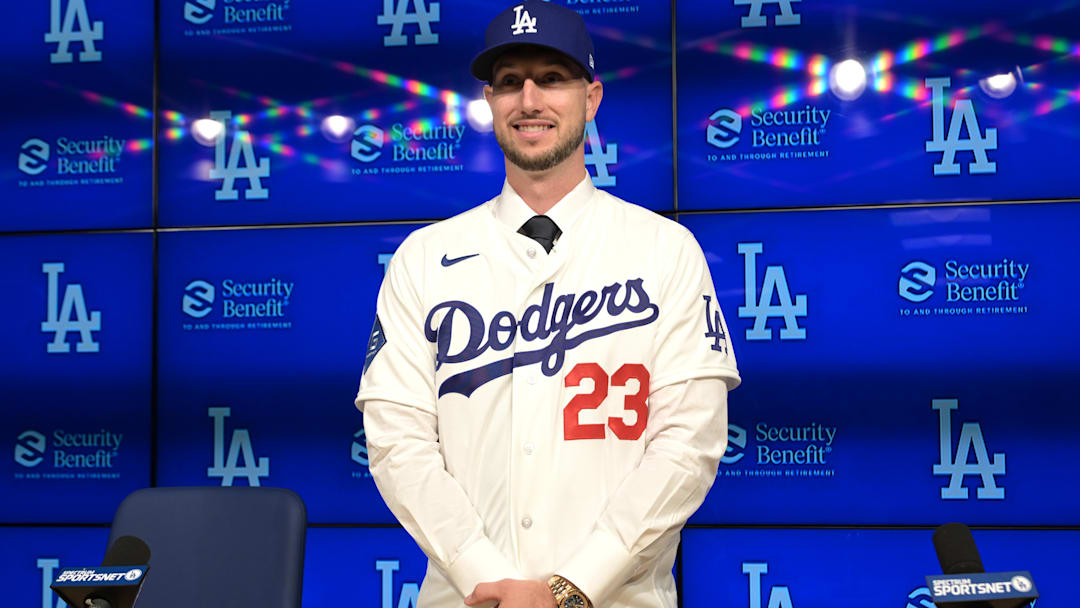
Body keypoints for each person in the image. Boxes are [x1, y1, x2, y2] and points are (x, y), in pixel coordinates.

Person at [354, 2, 740, 606]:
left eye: (552, 79)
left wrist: (572, 587)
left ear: (591, 99)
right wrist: (484, 572)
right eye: (510, 82)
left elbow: (688, 443)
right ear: (489, 102)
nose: (529, 99)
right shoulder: (424, 257)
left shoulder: (665, 249)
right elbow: (397, 441)